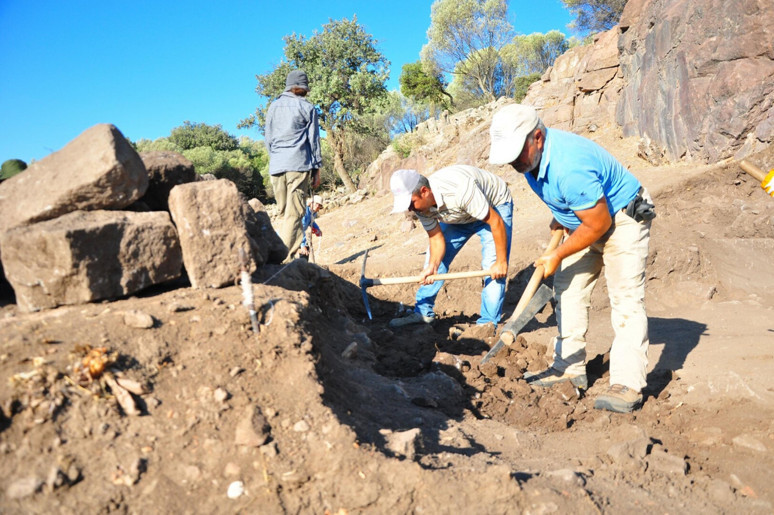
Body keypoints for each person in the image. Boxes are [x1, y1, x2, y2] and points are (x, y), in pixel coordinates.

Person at [488, 103, 656, 414]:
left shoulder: (569, 164)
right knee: (566, 287)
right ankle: (569, 367)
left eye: (516, 154)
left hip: (623, 219)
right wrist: (561, 217)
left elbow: (599, 223)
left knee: (625, 299)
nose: (513, 162)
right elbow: (567, 200)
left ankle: (627, 383)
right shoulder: (530, 163)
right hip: (591, 220)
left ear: (537, 137)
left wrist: (557, 253)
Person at [388, 166, 513, 328]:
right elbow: (436, 238)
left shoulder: (460, 190)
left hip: (494, 206)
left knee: (494, 266)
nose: (410, 209)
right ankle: (423, 312)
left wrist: (502, 261)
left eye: (411, 203)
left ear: (424, 191)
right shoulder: (421, 207)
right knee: (433, 261)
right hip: (459, 216)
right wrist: (433, 267)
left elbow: (495, 222)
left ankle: (487, 324)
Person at [265, 69, 323, 262]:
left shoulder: (273, 107)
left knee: (285, 213)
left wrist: (276, 158)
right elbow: (314, 141)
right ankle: (284, 260)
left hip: (276, 166)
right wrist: (316, 169)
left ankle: (288, 255)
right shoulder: (307, 108)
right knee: (294, 214)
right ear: (301, 88)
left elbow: (268, 139)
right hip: (298, 164)